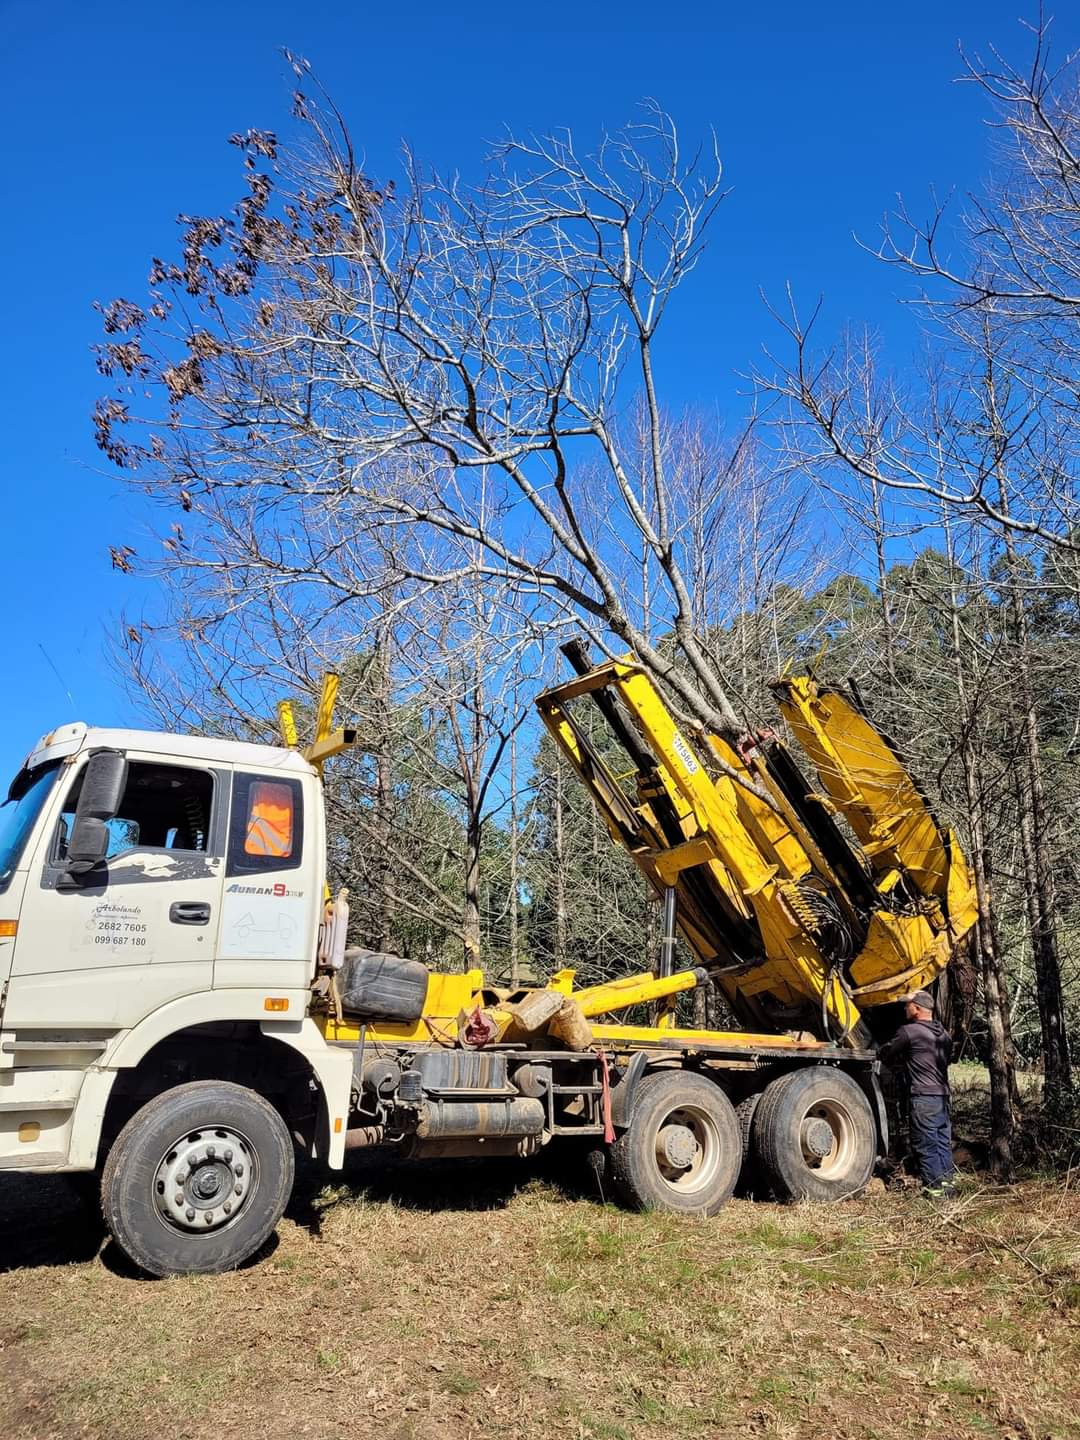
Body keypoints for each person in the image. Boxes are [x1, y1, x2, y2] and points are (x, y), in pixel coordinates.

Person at [878, 989, 957, 1198]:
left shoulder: (910, 1032)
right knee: (942, 1144)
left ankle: (936, 1194)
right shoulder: (945, 1035)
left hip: (923, 1098)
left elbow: (887, 1052)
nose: (905, 1008)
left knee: (926, 1146)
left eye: (908, 1005)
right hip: (942, 1098)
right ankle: (948, 1189)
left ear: (917, 1009)